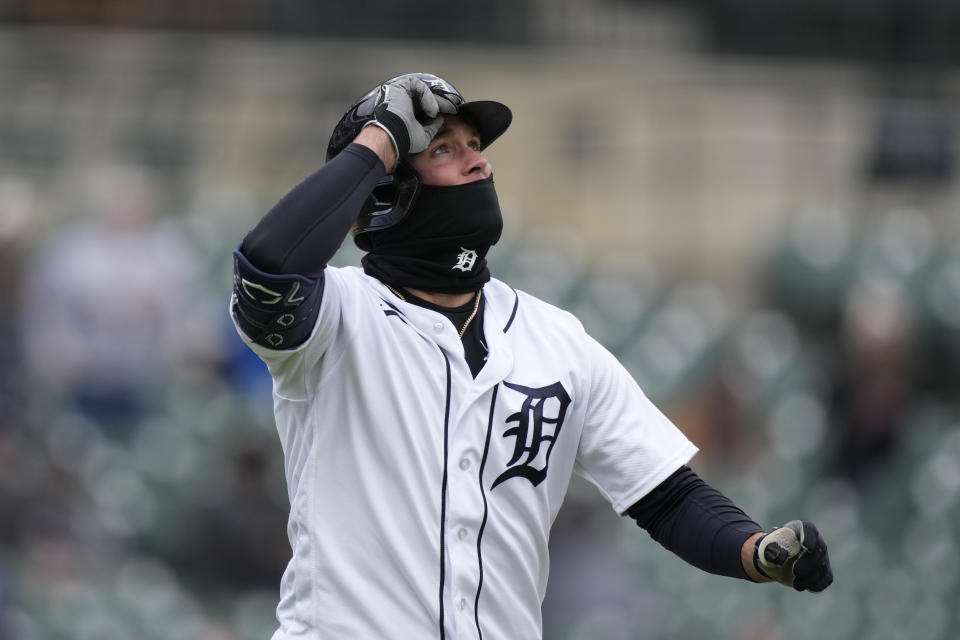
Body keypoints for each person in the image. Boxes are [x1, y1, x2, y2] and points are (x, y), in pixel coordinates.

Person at [230, 73, 833, 640]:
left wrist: (754, 551)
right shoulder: (336, 316)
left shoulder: (555, 338)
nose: (479, 160)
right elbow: (270, 262)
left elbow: (666, 495)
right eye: (444, 149)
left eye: (475, 144)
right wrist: (380, 139)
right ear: (387, 194)